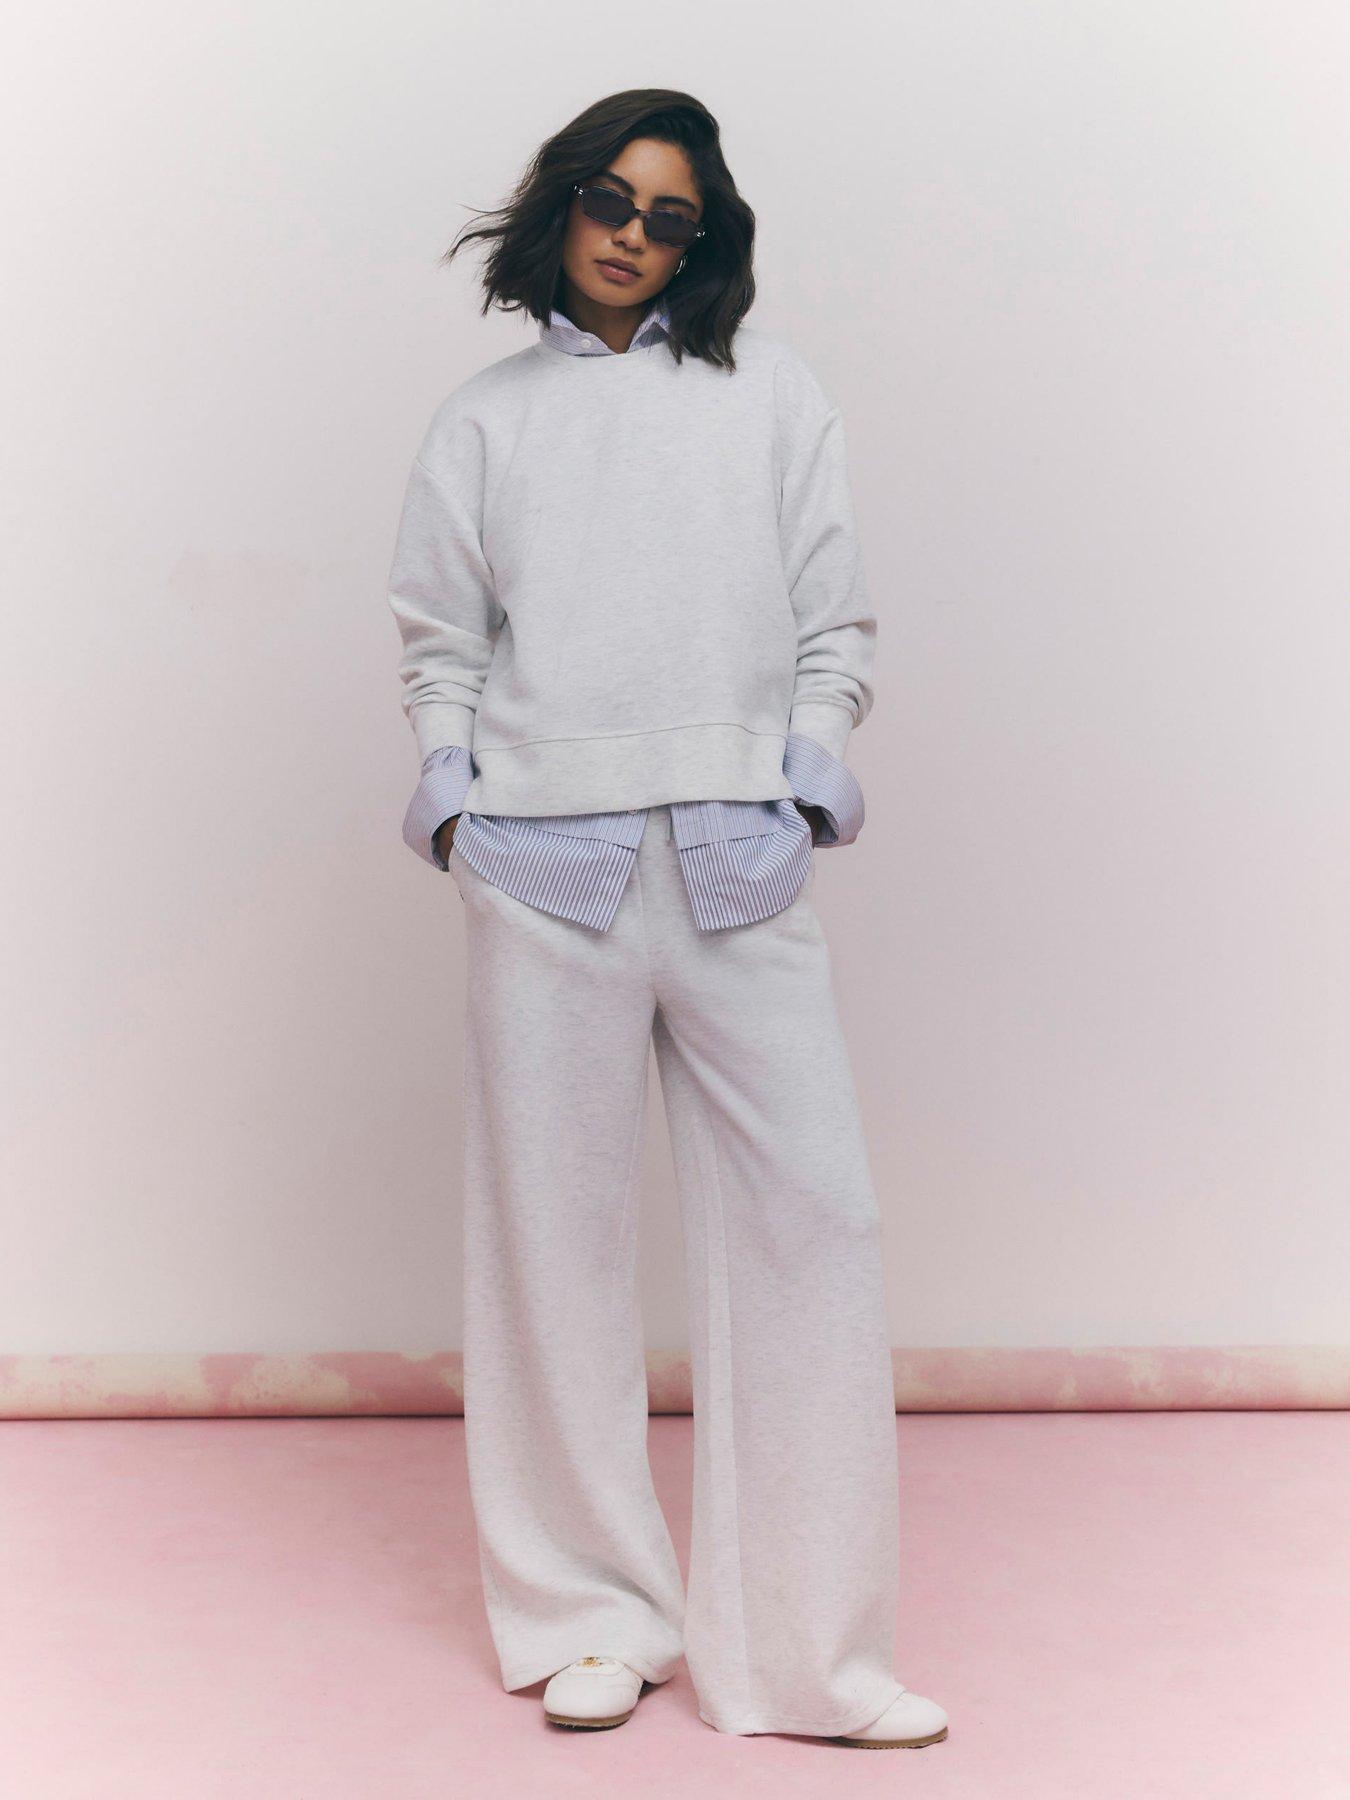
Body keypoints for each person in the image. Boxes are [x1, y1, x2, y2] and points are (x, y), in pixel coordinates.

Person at [386, 87, 949, 1751]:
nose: (634, 235)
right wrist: (459, 809)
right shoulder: (483, 422)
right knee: (550, 1248)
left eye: (670, 217)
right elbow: (439, 644)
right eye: (610, 201)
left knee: (815, 1227)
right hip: (538, 872)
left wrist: (801, 787)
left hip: (733, 860)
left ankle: (812, 1655)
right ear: (561, 205)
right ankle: (588, 1614)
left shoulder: (772, 393)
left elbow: (836, 619)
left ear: (705, 240)